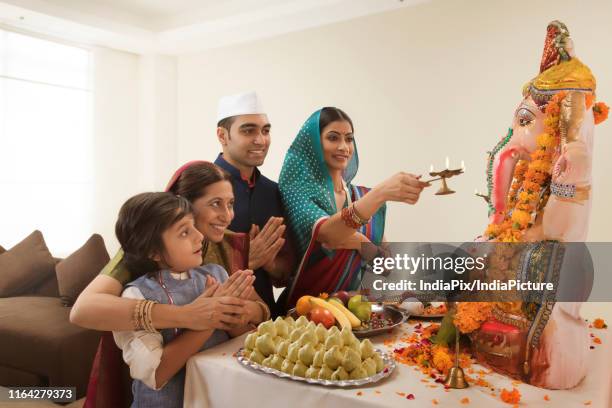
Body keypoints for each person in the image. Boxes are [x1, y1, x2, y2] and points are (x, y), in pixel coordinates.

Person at [112, 192, 263, 408]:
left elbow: (242, 344)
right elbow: (156, 374)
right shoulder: (137, 295)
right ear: (153, 251)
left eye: (193, 226)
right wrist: (210, 319)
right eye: (184, 232)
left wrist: (236, 320)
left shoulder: (217, 274)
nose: (199, 236)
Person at [278, 107, 430, 307]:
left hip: (355, 313)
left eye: (349, 139)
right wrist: (381, 193)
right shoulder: (298, 190)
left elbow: (386, 266)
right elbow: (328, 234)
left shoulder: (361, 196)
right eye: (333, 138)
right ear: (313, 143)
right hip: (304, 315)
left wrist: (360, 243)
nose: (344, 147)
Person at [214, 91, 295, 317]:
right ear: (222, 135)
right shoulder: (196, 187)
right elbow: (182, 272)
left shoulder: (273, 191)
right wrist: (247, 261)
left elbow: (283, 275)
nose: (260, 140)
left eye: (265, 130)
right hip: (213, 325)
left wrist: (270, 263)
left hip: (265, 321)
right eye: (248, 130)